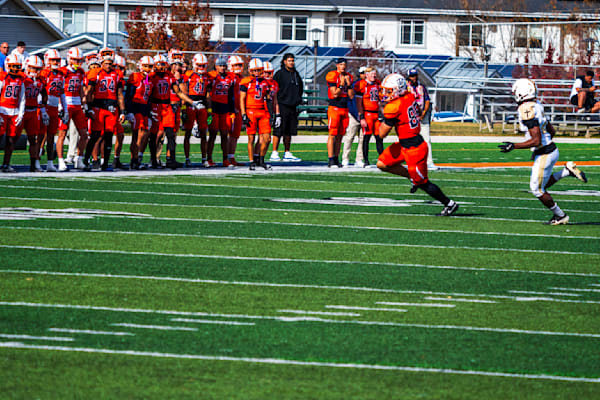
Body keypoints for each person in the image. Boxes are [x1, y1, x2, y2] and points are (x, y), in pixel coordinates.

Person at [499, 78, 588, 225]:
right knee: (541, 185)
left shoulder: (526, 109)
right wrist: (540, 147)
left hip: (545, 153)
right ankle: (566, 172)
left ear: (521, 92)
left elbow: (536, 140)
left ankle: (560, 216)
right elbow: (551, 130)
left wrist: (514, 146)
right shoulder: (536, 105)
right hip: (550, 150)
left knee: (537, 190)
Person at [377, 73, 459, 216]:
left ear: (398, 90)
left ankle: (449, 203)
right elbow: (419, 112)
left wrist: (384, 119)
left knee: (423, 183)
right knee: (382, 164)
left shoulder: (393, 107)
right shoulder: (410, 96)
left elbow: (382, 134)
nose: (385, 94)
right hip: (404, 143)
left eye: (389, 91)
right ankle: (411, 177)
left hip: (415, 148)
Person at [84, 47, 126, 171]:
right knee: (95, 135)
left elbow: (120, 94)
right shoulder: (95, 73)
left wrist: (122, 111)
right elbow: (89, 92)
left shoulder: (117, 74)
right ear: (101, 62)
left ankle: (105, 163)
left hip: (111, 108)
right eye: (106, 63)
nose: (108, 66)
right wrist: (88, 107)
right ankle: (86, 160)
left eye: (110, 63)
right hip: (98, 107)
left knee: (108, 136)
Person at [240, 58, 280, 170]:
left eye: (259, 70)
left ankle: (261, 160)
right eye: (255, 70)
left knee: (267, 139)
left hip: (263, 111)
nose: (257, 72)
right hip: (251, 111)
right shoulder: (246, 82)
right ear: (250, 70)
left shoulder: (265, 82)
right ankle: (251, 161)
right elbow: (242, 99)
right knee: (251, 138)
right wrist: (243, 114)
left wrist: (272, 114)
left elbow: (269, 98)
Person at [56, 47, 88, 171]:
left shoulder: (81, 71)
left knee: (84, 134)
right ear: (69, 59)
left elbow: (81, 89)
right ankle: (60, 161)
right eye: (75, 59)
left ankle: (78, 159)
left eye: (79, 60)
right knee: (62, 134)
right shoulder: (63, 71)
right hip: (66, 104)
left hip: (77, 104)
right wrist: (60, 106)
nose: (77, 62)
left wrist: (84, 104)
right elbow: (59, 89)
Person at [40, 49, 69, 172]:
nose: (56, 62)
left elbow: (62, 93)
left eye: (57, 60)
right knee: (41, 135)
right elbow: (40, 92)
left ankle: (50, 163)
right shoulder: (44, 74)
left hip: (54, 107)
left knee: (51, 136)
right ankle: (36, 162)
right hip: (45, 106)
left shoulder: (61, 74)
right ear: (47, 60)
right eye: (53, 60)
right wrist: (42, 109)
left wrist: (65, 109)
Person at [271, 53, 303, 162]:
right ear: (284, 61)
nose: (291, 63)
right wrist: (276, 107)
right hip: (282, 105)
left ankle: (287, 152)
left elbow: (300, 88)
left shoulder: (296, 74)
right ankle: (274, 152)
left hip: (292, 106)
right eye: (289, 60)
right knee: (279, 129)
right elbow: (275, 90)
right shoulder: (279, 74)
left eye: (293, 60)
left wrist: (298, 99)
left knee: (289, 131)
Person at [125, 55, 154, 170]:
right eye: (145, 66)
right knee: (137, 135)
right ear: (140, 66)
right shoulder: (135, 77)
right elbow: (129, 95)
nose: (147, 69)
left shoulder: (148, 79)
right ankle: (134, 160)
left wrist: (150, 112)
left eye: (149, 66)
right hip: (135, 107)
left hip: (144, 108)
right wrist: (129, 111)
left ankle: (136, 159)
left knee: (144, 133)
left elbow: (148, 96)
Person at [183, 53, 212, 167]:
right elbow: (184, 92)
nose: (201, 68)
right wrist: (184, 109)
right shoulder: (188, 75)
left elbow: (208, 95)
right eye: (199, 65)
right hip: (191, 105)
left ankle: (204, 158)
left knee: (204, 133)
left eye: (203, 65)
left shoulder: (207, 76)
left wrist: (209, 110)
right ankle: (187, 158)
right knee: (188, 132)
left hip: (202, 105)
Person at [207, 56, 236, 167]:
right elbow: (208, 93)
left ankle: (225, 159)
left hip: (225, 108)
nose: (222, 68)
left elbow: (231, 95)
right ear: (216, 66)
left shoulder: (230, 78)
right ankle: (209, 158)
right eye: (220, 66)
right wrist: (209, 109)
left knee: (224, 134)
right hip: (214, 107)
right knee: (213, 134)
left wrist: (232, 110)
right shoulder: (212, 76)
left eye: (224, 66)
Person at [0, 54, 26, 172]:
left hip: (14, 112)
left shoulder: (21, 80)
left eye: (17, 66)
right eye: (13, 66)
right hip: (2, 110)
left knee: (11, 139)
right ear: (7, 65)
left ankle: (6, 164)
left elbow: (22, 98)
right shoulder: (3, 78)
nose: (15, 68)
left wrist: (20, 114)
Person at [326, 58, 354, 167]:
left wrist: (349, 84)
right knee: (332, 134)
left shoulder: (349, 76)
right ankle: (331, 159)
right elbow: (335, 94)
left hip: (344, 108)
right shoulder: (332, 75)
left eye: (344, 64)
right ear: (337, 65)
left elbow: (351, 96)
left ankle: (336, 158)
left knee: (340, 135)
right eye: (341, 64)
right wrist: (341, 85)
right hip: (334, 107)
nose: (343, 66)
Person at [23, 55, 48, 172]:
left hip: (33, 111)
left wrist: (43, 109)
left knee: (33, 139)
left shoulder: (40, 81)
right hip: (21, 111)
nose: (35, 71)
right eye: (33, 68)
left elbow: (44, 95)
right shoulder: (22, 78)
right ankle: (6, 164)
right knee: (12, 138)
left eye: (38, 69)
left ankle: (34, 164)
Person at [407, 68, 436, 169]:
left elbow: (427, 100)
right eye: (412, 76)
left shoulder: (421, 87)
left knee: (426, 139)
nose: (414, 78)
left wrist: (423, 113)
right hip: (410, 116)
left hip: (422, 115)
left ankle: (429, 162)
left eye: (415, 75)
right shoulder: (406, 87)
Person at [356, 66, 383, 167]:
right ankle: (366, 160)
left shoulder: (377, 84)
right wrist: (361, 117)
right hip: (367, 114)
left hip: (376, 114)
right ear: (366, 75)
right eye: (372, 74)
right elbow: (359, 103)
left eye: (375, 74)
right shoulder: (362, 85)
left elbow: (380, 99)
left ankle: (382, 159)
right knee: (366, 137)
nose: (374, 76)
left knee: (379, 137)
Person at [341, 66, 366, 167]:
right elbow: (352, 99)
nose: (365, 75)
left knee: (362, 138)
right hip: (354, 113)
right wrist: (356, 114)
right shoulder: (356, 84)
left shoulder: (369, 85)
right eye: (363, 73)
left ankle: (359, 159)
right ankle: (345, 158)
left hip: (365, 115)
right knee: (350, 136)